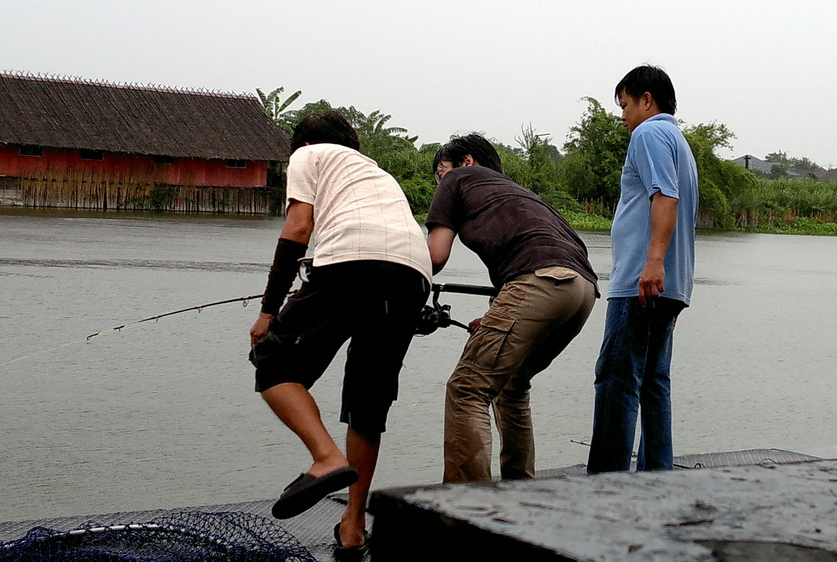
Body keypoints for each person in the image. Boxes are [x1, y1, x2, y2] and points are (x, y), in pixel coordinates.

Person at [248, 111, 431, 555]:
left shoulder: (310, 155)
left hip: (350, 261)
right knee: (368, 405)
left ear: (303, 145)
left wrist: (268, 311)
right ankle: (352, 528)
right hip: (413, 273)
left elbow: (298, 228)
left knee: (271, 361)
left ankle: (326, 457)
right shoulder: (378, 173)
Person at [426, 134, 599, 483]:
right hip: (582, 290)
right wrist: (497, 313)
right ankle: (522, 493)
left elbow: (434, 256)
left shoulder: (457, 179)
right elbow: (529, 251)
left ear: (467, 162)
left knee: (468, 387)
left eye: (440, 174)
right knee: (512, 385)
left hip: (537, 281)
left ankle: (467, 511)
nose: (440, 183)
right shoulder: (519, 193)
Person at [587, 65, 699, 474]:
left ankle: (605, 483)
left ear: (646, 100)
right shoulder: (679, 141)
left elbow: (664, 198)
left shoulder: (649, 133)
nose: (623, 116)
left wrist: (651, 264)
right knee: (653, 381)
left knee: (617, 379)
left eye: (625, 105)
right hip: (674, 283)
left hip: (642, 280)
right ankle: (657, 477)